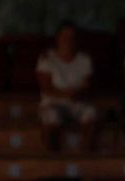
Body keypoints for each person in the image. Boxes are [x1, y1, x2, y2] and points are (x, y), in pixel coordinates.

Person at [37, 21, 97, 152]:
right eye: (64, 36)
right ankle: (52, 160)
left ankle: (86, 157)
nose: (67, 40)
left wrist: (77, 94)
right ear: (58, 38)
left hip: (76, 103)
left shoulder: (84, 59)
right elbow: (45, 87)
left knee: (91, 113)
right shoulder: (47, 58)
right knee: (51, 116)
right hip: (53, 102)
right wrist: (66, 94)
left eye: (71, 37)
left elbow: (86, 86)